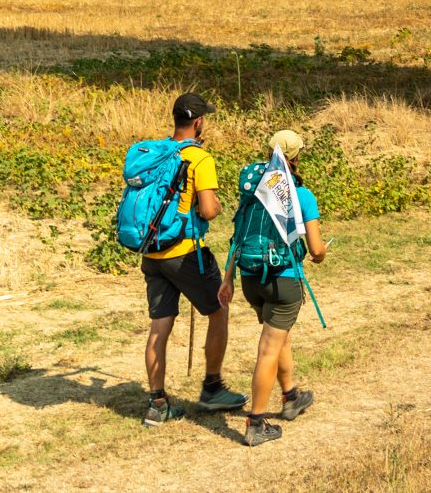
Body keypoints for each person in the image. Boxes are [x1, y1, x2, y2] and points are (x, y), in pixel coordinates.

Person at [137, 92, 243, 425]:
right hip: (183, 253)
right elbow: (209, 210)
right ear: (198, 122)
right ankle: (212, 387)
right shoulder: (199, 158)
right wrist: (214, 207)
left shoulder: (155, 152)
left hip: (151, 250)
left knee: (160, 325)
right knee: (219, 308)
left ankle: (157, 403)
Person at [232, 129, 328, 448]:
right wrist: (321, 253)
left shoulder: (254, 189)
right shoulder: (302, 194)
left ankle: (290, 398)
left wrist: (225, 279)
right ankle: (256, 423)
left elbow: (239, 229)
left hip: (251, 277)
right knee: (269, 348)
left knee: (279, 335)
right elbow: (315, 249)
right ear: (296, 157)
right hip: (283, 280)